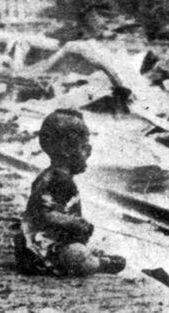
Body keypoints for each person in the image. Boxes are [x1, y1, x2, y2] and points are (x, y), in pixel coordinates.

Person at [14, 109, 126, 276]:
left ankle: (96, 259)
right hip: (40, 249)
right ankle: (101, 264)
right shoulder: (57, 180)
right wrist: (75, 223)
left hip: (45, 244)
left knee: (79, 250)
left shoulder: (57, 177)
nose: (89, 154)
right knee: (77, 256)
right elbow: (44, 214)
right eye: (85, 148)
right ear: (66, 150)